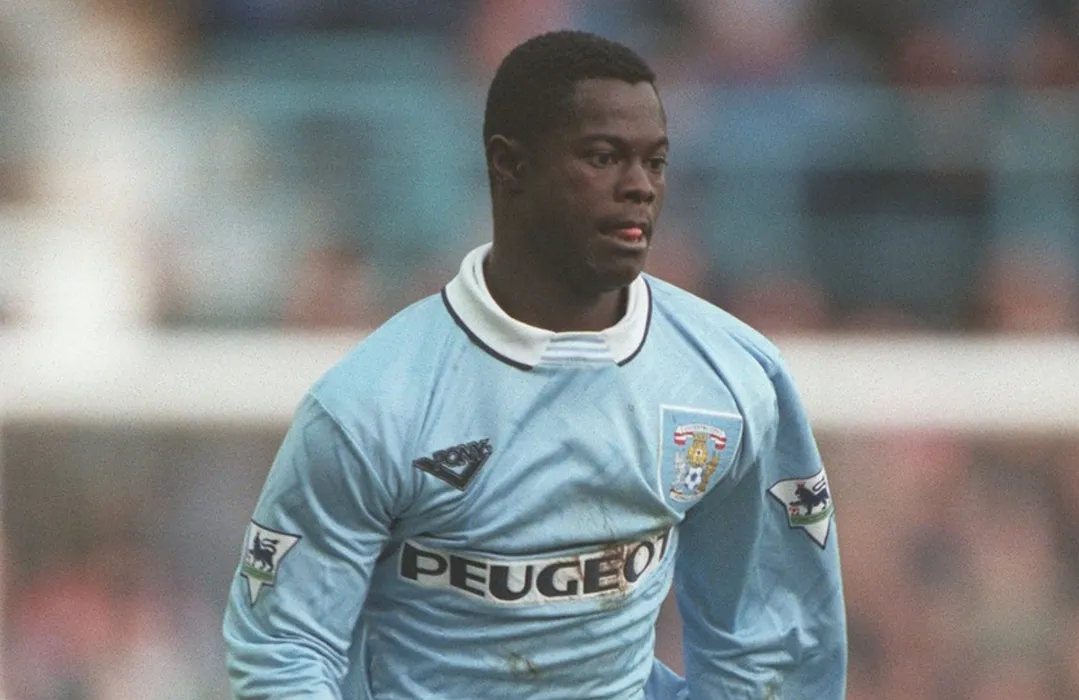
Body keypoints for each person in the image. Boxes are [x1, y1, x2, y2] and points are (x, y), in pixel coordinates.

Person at [223, 29, 847, 699]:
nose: (639, 187)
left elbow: (770, 642)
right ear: (509, 164)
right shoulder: (371, 406)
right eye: (604, 157)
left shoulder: (732, 379)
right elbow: (286, 649)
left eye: (656, 162)